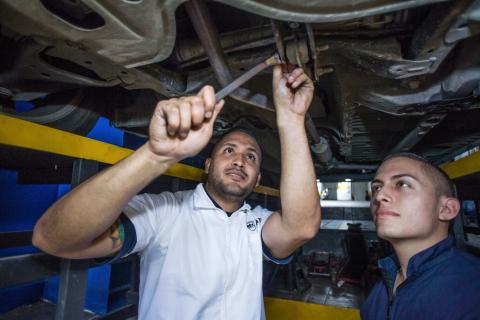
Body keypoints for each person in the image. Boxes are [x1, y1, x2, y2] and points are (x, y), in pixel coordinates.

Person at [32, 65, 321, 320]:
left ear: (257, 179)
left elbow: (302, 227)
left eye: (251, 157)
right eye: (229, 150)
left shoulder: (256, 225)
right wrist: (156, 156)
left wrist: (292, 119)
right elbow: (53, 238)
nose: (239, 160)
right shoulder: (162, 213)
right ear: (208, 165)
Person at [361, 153, 480, 320]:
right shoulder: (379, 292)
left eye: (402, 184)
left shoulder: (472, 293)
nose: (379, 196)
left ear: (446, 209)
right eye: (377, 187)